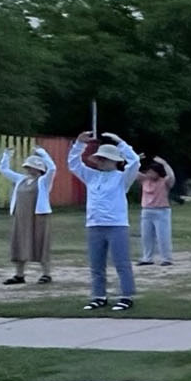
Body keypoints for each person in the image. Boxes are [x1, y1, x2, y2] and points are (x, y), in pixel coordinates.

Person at [67, 131, 142, 312]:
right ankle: (99, 296)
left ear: (115, 161)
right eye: (99, 159)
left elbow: (135, 162)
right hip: (94, 224)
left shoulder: (122, 177)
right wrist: (79, 144)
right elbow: (73, 164)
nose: (101, 162)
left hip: (117, 224)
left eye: (105, 159)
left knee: (121, 262)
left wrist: (120, 142)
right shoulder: (92, 175)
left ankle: (126, 296)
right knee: (96, 264)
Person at [0, 145, 56, 285]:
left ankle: (46, 274)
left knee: (40, 243)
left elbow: (52, 168)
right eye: (28, 166)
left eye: (32, 167)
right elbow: (4, 169)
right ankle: (19, 275)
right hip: (21, 217)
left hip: (38, 217)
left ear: (39, 169)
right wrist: (7, 155)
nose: (29, 169)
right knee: (19, 243)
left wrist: (42, 153)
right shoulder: (21, 179)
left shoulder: (43, 181)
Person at [136, 155, 175, 267]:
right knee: (146, 236)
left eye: (152, 172)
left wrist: (165, 164)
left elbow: (171, 176)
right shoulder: (144, 180)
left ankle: (166, 258)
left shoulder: (164, 182)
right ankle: (147, 258)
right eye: (148, 172)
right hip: (146, 211)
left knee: (163, 236)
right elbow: (132, 171)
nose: (149, 174)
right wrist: (136, 160)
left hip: (161, 211)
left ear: (158, 173)